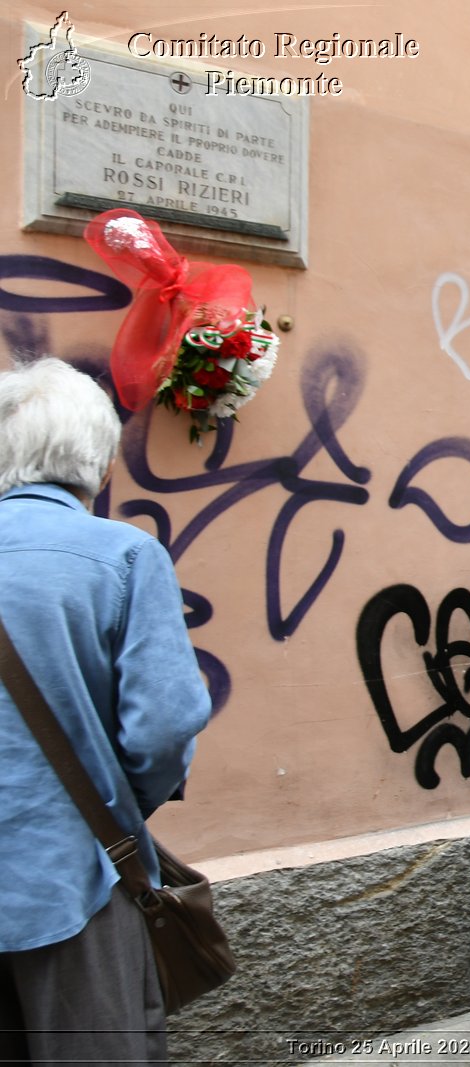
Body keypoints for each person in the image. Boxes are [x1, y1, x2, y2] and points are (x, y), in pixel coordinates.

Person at [0, 357, 212, 1064]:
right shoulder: (122, 556)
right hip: (73, 885)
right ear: (98, 458)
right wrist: (116, 806)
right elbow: (166, 723)